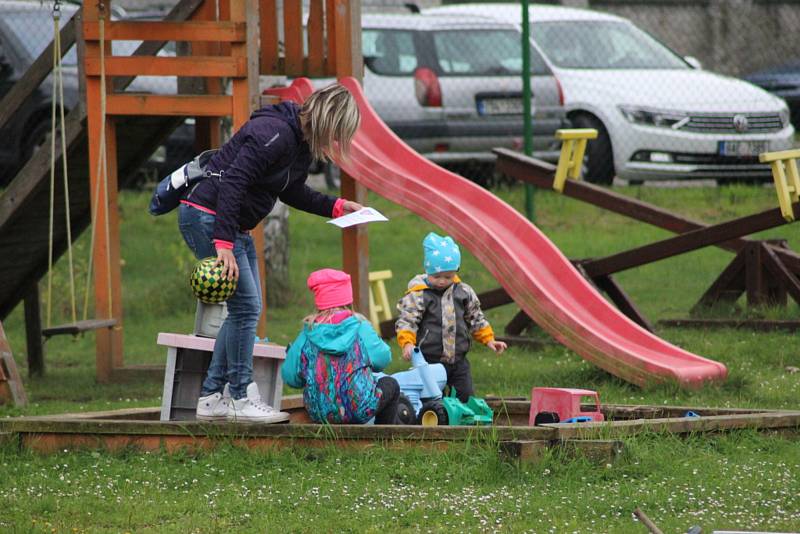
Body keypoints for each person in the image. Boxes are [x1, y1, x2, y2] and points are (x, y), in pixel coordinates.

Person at [181, 84, 363, 423]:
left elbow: (291, 191)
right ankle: (239, 396)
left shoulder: (300, 145)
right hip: (207, 217)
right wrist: (223, 243)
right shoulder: (274, 133)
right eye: (338, 133)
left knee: (243, 310)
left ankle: (210, 398)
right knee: (247, 307)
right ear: (327, 121)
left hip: (233, 225)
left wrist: (336, 206)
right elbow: (234, 180)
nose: (337, 143)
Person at [395, 232, 507, 403]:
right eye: (436, 276)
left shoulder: (463, 292)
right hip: (429, 361)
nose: (441, 281)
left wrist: (489, 339)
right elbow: (407, 321)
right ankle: (433, 423)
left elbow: (475, 317)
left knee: (465, 396)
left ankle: (463, 425)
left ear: (456, 271)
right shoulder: (419, 295)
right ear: (427, 270)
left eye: (448, 277)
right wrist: (407, 343)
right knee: (430, 398)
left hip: (458, 360)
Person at [281, 269, 400, 424]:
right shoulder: (360, 327)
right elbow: (383, 359)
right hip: (359, 408)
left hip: (319, 413)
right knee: (391, 385)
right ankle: (383, 437)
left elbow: (290, 377)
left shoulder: (307, 334)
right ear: (348, 301)